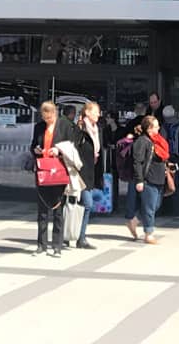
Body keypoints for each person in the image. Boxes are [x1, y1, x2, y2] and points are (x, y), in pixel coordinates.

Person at [30, 99, 77, 256]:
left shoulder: (64, 125)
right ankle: (41, 244)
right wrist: (36, 149)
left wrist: (59, 150)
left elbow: (72, 146)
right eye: (44, 118)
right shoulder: (39, 127)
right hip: (43, 169)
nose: (47, 121)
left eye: (49, 118)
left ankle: (57, 245)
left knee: (58, 209)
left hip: (58, 170)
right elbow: (32, 145)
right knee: (42, 209)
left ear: (54, 114)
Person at [129, 114, 170, 244]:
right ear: (149, 128)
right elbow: (138, 162)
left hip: (159, 177)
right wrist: (139, 180)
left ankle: (134, 221)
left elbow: (162, 157)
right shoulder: (142, 141)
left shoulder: (157, 140)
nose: (158, 128)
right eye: (156, 126)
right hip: (148, 178)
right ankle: (148, 233)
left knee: (155, 205)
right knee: (150, 207)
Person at [73, 100, 106, 248]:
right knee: (87, 204)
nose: (98, 114)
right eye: (95, 111)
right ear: (87, 112)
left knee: (83, 205)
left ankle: (79, 236)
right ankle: (79, 237)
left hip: (91, 172)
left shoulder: (96, 129)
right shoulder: (81, 128)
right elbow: (73, 150)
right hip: (81, 172)